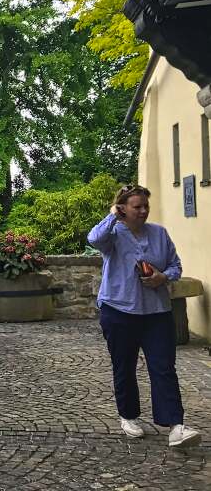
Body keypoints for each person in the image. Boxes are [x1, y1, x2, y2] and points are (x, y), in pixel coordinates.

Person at [87, 184, 202, 448]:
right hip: (118, 310)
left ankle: (176, 426)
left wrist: (164, 276)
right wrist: (113, 216)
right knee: (124, 366)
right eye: (136, 206)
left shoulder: (159, 234)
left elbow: (175, 265)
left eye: (145, 206)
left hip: (157, 312)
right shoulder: (112, 234)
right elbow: (93, 239)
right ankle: (128, 416)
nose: (143, 211)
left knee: (163, 367)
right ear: (123, 208)